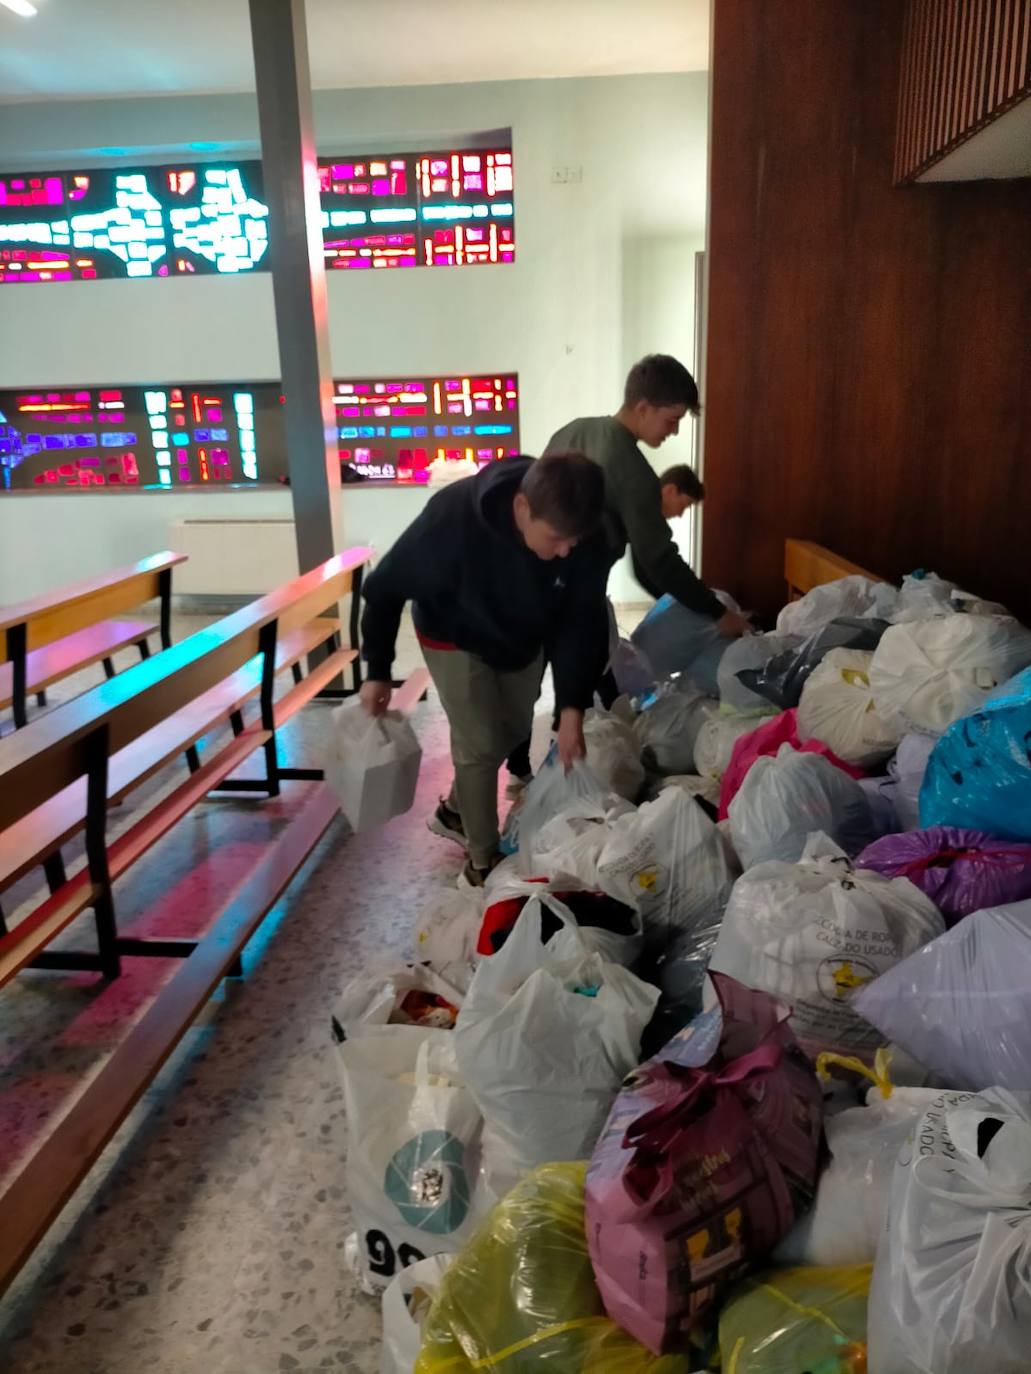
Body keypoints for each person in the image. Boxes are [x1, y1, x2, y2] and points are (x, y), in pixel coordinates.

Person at [358, 452, 609, 886]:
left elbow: (580, 621)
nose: (566, 551)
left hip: (522, 637)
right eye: (555, 539)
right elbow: (384, 589)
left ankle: (456, 808)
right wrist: (378, 668)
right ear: (522, 508)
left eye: (574, 541)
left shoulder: (583, 535)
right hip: (451, 632)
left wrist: (572, 709)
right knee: (478, 744)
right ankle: (482, 861)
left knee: (511, 731)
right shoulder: (453, 519)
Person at [545, 353, 749, 636]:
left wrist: (681, 604)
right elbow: (658, 560)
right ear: (643, 408)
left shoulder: (574, 429)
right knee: (586, 674)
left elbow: (644, 567)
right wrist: (717, 612)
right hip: (579, 597)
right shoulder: (635, 473)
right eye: (672, 420)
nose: (675, 431)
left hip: (540, 585)